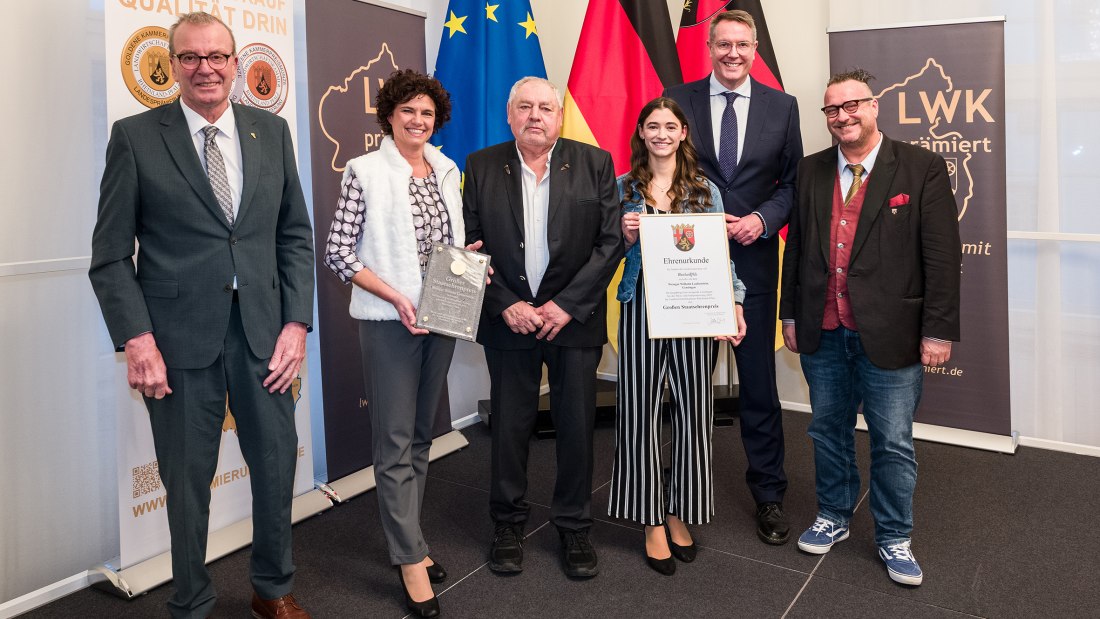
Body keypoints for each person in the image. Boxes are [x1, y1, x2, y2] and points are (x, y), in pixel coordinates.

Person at [88, 12, 314, 619]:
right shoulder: (135, 137)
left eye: (217, 56)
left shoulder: (272, 131)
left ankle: (273, 590)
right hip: (177, 341)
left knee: (273, 467)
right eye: (190, 57)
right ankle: (191, 602)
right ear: (172, 65)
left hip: (266, 336)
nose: (205, 68)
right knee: (186, 484)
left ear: (236, 62)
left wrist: (297, 324)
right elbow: (110, 257)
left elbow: (294, 235)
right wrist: (138, 341)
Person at [780, 69, 961, 586]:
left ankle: (894, 536)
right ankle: (834, 515)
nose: (844, 116)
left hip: (894, 330)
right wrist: (790, 314)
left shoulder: (921, 167)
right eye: (833, 109)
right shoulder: (810, 170)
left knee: (893, 440)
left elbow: (943, 258)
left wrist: (938, 330)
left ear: (874, 106)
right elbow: (797, 250)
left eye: (853, 105)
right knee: (826, 431)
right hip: (824, 328)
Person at [322, 68, 481, 618]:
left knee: (420, 436)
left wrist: (465, 259)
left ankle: (408, 537)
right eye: (408, 111)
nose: (418, 121)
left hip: (441, 316)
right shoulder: (363, 170)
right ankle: (410, 558)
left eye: (427, 114)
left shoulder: (444, 169)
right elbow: (339, 254)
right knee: (392, 442)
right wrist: (396, 298)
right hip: (391, 322)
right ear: (389, 114)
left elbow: (446, 244)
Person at [462, 76, 622, 579]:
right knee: (510, 427)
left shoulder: (594, 163)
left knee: (576, 427)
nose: (536, 115)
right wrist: (505, 302)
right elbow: (468, 245)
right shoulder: (481, 166)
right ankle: (507, 522)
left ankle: (574, 526)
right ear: (509, 115)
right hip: (509, 318)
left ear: (560, 116)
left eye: (545, 108)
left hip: (573, 322)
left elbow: (610, 241)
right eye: (525, 107)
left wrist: (567, 305)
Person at [664, 8, 803, 545]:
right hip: (687, 264)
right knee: (688, 385)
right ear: (710, 47)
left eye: (743, 45)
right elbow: (658, 167)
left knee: (759, 389)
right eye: (723, 44)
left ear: (754, 49)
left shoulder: (782, 107)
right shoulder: (678, 98)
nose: (733, 54)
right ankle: (680, 494)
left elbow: (791, 183)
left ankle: (769, 495)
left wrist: (760, 220)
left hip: (754, 260)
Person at [607, 97, 747, 576]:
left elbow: (721, 256)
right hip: (641, 309)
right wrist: (624, 238)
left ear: (683, 132)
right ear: (641, 133)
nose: (662, 133)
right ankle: (649, 520)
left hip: (695, 314)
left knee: (694, 415)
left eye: (670, 125)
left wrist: (735, 300)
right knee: (638, 414)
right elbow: (605, 254)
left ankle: (679, 511)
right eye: (653, 125)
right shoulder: (624, 188)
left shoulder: (705, 191)